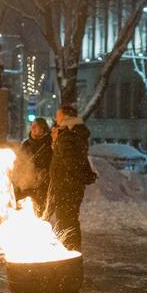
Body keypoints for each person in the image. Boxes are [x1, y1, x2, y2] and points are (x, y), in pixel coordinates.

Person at [46, 105, 96, 251]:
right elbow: (78, 159)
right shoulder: (75, 132)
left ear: (65, 117)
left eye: (58, 115)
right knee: (68, 220)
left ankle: (70, 251)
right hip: (70, 186)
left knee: (66, 220)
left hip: (66, 186)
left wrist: (58, 140)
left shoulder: (68, 135)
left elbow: (71, 162)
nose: (56, 119)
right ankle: (71, 250)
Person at [16, 117, 52, 214]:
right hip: (25, 184)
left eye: (36, 126)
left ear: (43, 129)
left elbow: (52, 164)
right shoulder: (26, 144)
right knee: (22, 211)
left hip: (42, 185)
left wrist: (43, 173)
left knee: (39, 211)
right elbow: (18, 162)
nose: (33, 128)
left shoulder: (49, 145)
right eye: (32, 126)